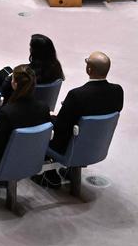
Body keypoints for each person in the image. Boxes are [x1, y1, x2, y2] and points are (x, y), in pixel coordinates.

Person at [45, 51, 123, 182]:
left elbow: (60, 126)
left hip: (69, 145)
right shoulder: (118, 91)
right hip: (96, 143)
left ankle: (47, 173)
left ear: (89, 69)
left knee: (43, 121)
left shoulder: (77, 95)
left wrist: (50, 116)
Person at [0, 65, 50, 173]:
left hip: (3, 160)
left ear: (14, 84)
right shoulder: (44, 107)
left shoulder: (7, 112)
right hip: (31, 156)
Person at [0, 35, 63, 102]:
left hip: (17, 105)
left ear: (34, 51)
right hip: (42, 104)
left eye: (31, 47)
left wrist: (8, 78)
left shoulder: (25, 72)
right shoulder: (57, 66)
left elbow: (4, 88)